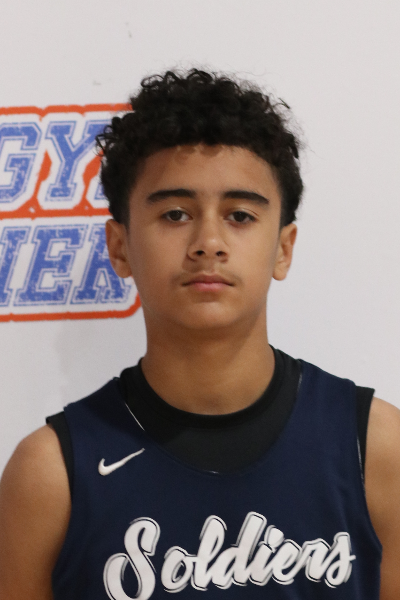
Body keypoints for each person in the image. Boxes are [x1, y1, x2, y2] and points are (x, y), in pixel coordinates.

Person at [0, 69, 399, 600]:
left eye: (240, 215)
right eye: (175, 214)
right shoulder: (50, 474)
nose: (208, 242)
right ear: (119, 247)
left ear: (283, 249)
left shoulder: (375, 447)